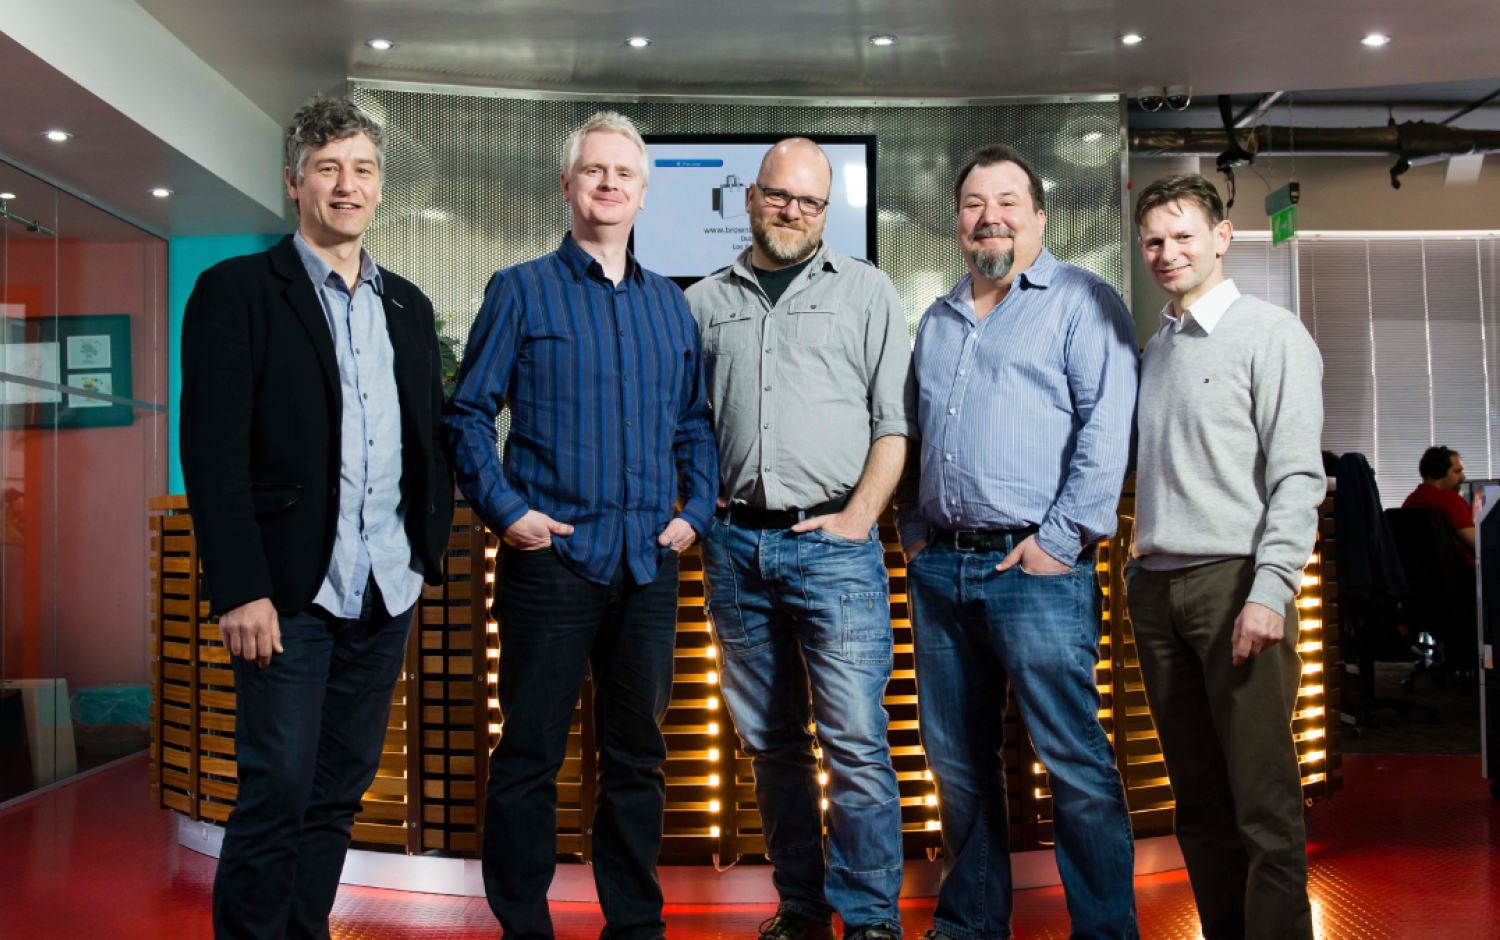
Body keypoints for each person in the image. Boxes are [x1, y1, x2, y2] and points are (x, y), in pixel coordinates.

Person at [179, 94, 454, 940]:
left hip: (385, 589)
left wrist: (424, 551)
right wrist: (240, 588)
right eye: (328, 168)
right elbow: (213, 453)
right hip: (286, 595)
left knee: (337, 794)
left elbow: (428, 437)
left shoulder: (407, 305)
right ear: (294, 182)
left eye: (362, 169)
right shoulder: (236, 293)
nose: (347, 185)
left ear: (379, 187)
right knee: (277, 790)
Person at [443, 111, 717, 940]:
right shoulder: (520, 289)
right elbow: (467, 414)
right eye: (594, 170)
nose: (608, 184)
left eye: (623, 173)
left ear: (643, 193)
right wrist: (507, 513)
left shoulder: (671, 306)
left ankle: (634, 926)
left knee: (638, 760)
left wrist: (694, 514)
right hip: (551, 565)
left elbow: (693, 424)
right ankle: (524, 927)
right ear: (567, 185)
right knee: (529, 757)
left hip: (647, 566)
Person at [895, 144, 1140, 940]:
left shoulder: (1083, 301)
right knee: (957, 766)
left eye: (1007, 202)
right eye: (973, 203)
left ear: (1039, 216)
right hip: (942, 570)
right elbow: (915, 435)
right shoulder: (937, 319)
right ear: (957, 223)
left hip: (1035, 573)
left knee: (1074, 764)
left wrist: (1058, 543)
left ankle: (1105, 932)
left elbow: (1108, 430)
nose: (989, 216)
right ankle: (970, 924)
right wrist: (915, 532)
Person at [685, 138, 914, 940]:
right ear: (751, 198)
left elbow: (894, 423)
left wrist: (858, 518)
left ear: (827, 210)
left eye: (810, 202)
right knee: (771, 744)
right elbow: (684, 423)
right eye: (779, 196)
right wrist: (696, 502)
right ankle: (803, 908)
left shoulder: (867, 291)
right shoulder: (703, 302)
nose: (792, 212)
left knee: (855, 743)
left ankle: (872, 917)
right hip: (734, 551)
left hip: (835, 550)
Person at [1128, 174, 1326, 940]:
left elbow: (1298, 476)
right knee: (1200, 806)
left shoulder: (1271, 333)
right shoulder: (1157, 350)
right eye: (1154, 240)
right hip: (1157, 591)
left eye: (1183, 236)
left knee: (1263, 805)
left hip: (1235, 585)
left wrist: (1271, 590)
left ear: (1222, 236)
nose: (1167, 252)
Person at [1403, 446, 1475, 565]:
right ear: (1438, 472)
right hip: (1466, 572)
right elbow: (1479, 544)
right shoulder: (1448, 498)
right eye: (1457, 472)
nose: (1463, 477)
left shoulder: (1410, 501)